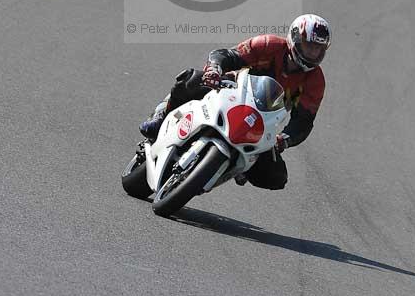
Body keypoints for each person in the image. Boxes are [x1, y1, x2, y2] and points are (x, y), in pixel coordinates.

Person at [139, 14, 331, 190]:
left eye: (318, 49)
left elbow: (304, 121)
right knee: (191, 80)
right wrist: (214, 69)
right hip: (231, 92)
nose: (313, 52)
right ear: (295, 39)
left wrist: (285, 139)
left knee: (276, 177)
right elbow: (228, 55)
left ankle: (237, 167)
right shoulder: (268, 44)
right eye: (309, 45)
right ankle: (160, 115)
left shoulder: (315, 82)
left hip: (263, 122)